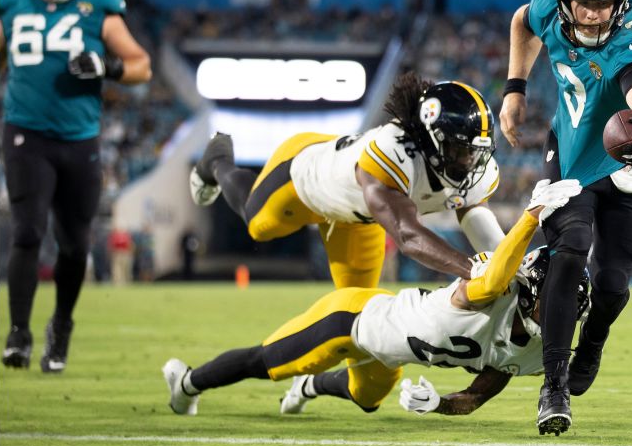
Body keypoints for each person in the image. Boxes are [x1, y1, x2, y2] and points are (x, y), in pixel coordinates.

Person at [161, 179, 585, 418]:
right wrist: (530, 217)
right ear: (531, 288)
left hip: (391, 354)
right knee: (267, 361)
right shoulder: (493, 289)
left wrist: (439, 404)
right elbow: (492, 278)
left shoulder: (536, 353)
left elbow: (476, 396)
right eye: (557, 302)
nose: (563, 317)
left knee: (366, 399)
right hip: (352, 319)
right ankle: (186, 383)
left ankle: (310, 386)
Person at [500, 0, 632, 435]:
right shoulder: (548, 3)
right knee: (569, 247)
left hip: (625, 166)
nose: (588, 12)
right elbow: (523, 20)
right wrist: (515, 89)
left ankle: (596, 338)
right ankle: (553, 388)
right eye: (581, 0)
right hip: (568, 153)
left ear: (621, 0)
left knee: (612, 285)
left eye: (602, 2)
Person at [189, 74, 507, 290]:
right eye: (457, 149)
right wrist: (473, 268)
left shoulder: (474, 167)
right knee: (258, 223)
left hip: (360, 217)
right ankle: (217, 159)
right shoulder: (393, 150)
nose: (468, 161)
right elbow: (408, 236)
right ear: (428, 137)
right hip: (307, 174)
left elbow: (473, 210)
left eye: (473, 152)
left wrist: (508, 264)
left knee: (355, 312)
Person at [0, 0, 152, 372]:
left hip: (79, 138)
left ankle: (60, 326)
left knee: (74, 245)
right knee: (27, 231)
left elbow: (141, 66)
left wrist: (107, 66)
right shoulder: (10, 5)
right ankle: (19, 334)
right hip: (26, 134)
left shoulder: (99, 9)